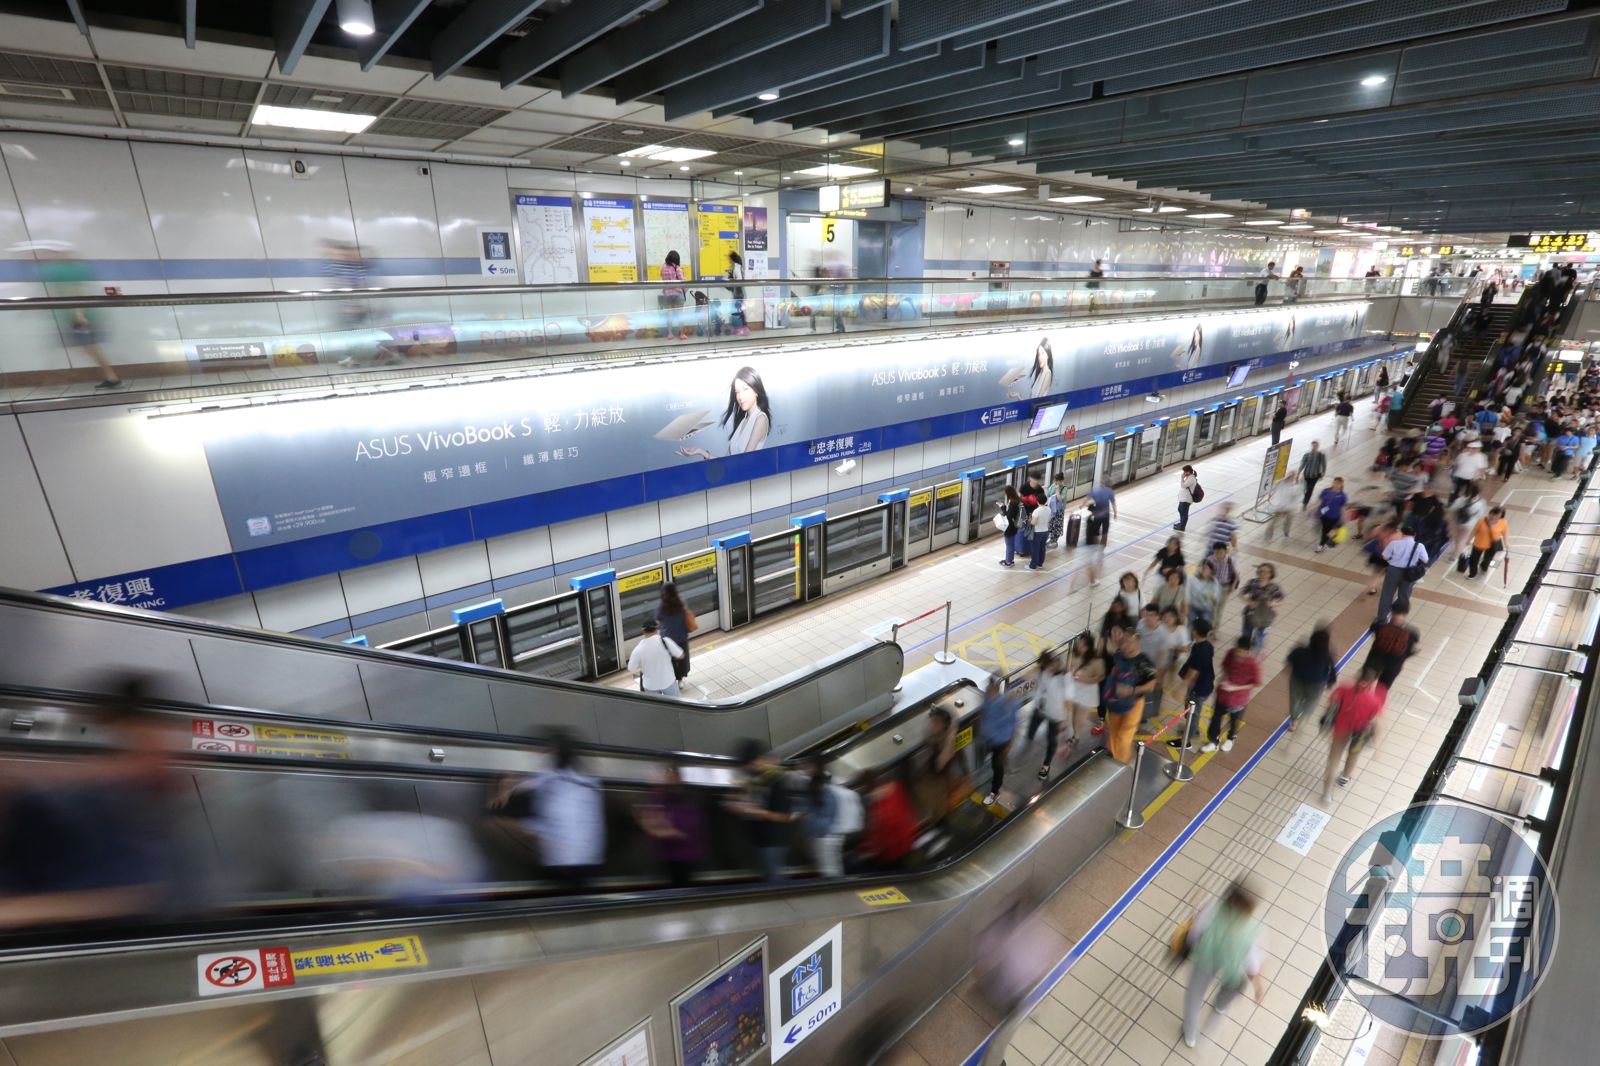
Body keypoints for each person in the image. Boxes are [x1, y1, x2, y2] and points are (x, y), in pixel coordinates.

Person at [491, 733, 604, 889]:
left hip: (562, 862)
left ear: (554, 754)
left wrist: (507, 791)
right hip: (589, 861)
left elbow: (550, 820)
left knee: (495, 825)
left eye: (544, 753)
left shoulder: (550, 781)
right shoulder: (588, 783)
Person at [1180, 881, 1268, 1049]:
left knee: (1194, 994)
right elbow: (1252, 962)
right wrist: (1258, 987)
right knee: (1227, 994)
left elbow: (1193, 935)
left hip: (1206, 957)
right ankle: (1219, 1010)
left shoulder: (1213, 908)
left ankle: (1190, 1034)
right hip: (1233, 969)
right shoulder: (1252, 928)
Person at [25, 241, 122, 388]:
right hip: (75, 316)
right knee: (87, 347)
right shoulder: (75, 268)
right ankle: (111, 377)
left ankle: (50, 379)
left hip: (78, 317)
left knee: (85, 347)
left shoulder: (57, 270)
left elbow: (79, 290)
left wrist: (79, 313)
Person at [728, 739, 798, 881]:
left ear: (760, 759)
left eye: (751, 763)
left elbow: (785, 816)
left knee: (775, 879)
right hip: (760, 840)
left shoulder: (777, 781)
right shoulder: (760, 779)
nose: (750, 768)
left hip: (774, 842)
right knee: (770, 877)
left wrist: (753, 811)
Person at [1320, 666, 1389, 803]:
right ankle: (1345, 777)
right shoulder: (1375, 701)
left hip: (1341, 728)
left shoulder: (1344, 690)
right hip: (1360, 732)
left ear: (1357, 678)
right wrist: (1378, 747)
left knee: (1333, 761)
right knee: (1353, 754)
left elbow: (1331, 702)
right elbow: (1376, 722)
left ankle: (1326, 794)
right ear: (1372, 682)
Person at [634, 763, 708, 887]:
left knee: (683, 887)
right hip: (665, 855)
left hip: (685, 855)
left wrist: (668, 831)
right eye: (667, 776)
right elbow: (644, 814)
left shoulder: (688, 798)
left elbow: (688, 831)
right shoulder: (659, 795)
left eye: (672, 776)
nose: (668, 779)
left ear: (679, 778)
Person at [678, 366, 771, 458]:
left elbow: (745, 461)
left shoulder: (760, 419)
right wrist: (701, 452)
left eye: (745, 389)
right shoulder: (744, 420)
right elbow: (726, 462)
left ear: (756, 390)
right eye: (737, 392)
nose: (740, 396)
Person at [1104, 631, 1158, 764]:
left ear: (1137, 643)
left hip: (1134, 704)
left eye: (1129, 642)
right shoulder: (1118, 655)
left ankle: (1120, 762)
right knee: (1113, 731)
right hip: (1116, 703)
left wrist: (1132, 690)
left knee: (1124, 736)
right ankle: (1115, 755)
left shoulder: (1143, 661)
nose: (1125, 644)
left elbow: (1151, 685)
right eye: (1124, 641)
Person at [1203, 636, 1261, 753]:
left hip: (1238, 700)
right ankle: (1214, 741)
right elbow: (1225, 667)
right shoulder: (1230, 654)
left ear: (1247, 652)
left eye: (1242, 652)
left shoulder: (1252, 665)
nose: (1238, 654)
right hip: (1222, 695)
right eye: (1237, 650)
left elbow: (1255, 683)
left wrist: (1235, 687)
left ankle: (1230, 738)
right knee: (1215, 719)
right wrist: (1224, 679)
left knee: (1233, 721)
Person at [800, 758, 850, 878]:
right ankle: (840, 888)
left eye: (808, 766)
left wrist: (810, 819)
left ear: (814, 767)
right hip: (832, 832)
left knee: (829, 870)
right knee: (833, 868)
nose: (804, 769)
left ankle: (837, 889)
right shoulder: (828, 783)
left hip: (824, 833)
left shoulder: (820, 786)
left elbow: (826, 810)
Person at [978, 675, 1021, 806]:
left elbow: (1014, 723)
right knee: (995, 761)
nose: (988, 692)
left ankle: (995, 792)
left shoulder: (1006, 703)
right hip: (991, 739)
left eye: (990, 689)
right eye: (988, 689)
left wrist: (1009, 744)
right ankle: (1004, 763)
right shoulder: (988, 701)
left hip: (1001, 742)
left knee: (997, 766)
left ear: (996, 689)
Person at [1284, 626, 1337, 733]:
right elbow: (1332, 671)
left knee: (1295, 701)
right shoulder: (1327, 657)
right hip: (1317, 684)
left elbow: (1290, 660)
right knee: (1311, 703)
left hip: (1297, 680)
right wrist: (1331, 682)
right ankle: (1304, 719)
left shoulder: (1300, 651)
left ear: (1311, 640)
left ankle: (1294, 722)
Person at [1025, 650, 1068, 778]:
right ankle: (1026, 752)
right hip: (1040, 709)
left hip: (1055, 714)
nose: (1049, 667)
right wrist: (1039, 666)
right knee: (1030, 733)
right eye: (1047, 664)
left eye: (1051, 665)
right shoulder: (1043, 671)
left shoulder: (1063, 678)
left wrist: (1065, 719)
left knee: (1051, 739)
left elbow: (1068, 700)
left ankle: (1046, 765)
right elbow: (1026, 676)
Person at [1377, 523, 1429, 623]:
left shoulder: (1394, 543)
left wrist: (1392, 560)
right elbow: (1425, 560)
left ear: (1402, 533)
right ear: (1414, 535)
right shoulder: (1419, 546)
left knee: (1387, 594)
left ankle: (1381, 618)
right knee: (1404, 596)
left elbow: (1384, 556)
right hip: (1409, 573)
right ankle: (1398, 619)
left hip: (1393, 570)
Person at [1062, 631, 1105, 750]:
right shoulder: (1074, 655)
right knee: (1074, 715)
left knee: (1078, 718)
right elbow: (1068, 668)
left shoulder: (1096, 661)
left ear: (1089, 647)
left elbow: (1100, 676)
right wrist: (1072, 672)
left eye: (1084, 645)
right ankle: (1076, 734)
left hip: (1088, 693)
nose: (1081, 647)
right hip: (1076, 689)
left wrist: (1084, 679)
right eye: (1080, 644)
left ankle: (1076, 737)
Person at [1176, 619, 1216, 748]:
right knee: (1190, 710)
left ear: (1195, 631)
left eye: (1192, 628)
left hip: (1199, 688)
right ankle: (1194, 730)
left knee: (1192, 713)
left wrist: (1178, 688)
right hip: (1203, 684)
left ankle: (1186, 741)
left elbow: (1192, 673)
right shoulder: (1205, 645)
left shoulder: (1201, 651)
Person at [1366, 604, 1420, 688]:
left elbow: (1373, 628)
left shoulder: (1380, 626)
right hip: (1393, 665)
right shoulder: (1412, 633)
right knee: (1382, 689)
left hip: (1375, 660)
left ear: (1392, 612)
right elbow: (1410, 649)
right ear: (1406, 613)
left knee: (1364, 684)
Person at [627, 619, 684, 697]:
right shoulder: (666, 641)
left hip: (650, 686)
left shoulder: (637, 650)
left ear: (643, 632)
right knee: (676, 703)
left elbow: (631, 668)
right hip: (668, 681)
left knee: (654, 704)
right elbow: (681, 655)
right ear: (657, 629)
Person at [656, 582, 697, 685]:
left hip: (667, 638)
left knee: (671, 660)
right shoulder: (681, 602)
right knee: (682, 659)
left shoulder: (661, 606)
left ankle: (672, 679)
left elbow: (658, 620)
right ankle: (680, 680)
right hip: (681, 636)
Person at [1239, 564, 1284, 653]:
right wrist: (1248, 602)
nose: (1262, 573)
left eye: (1265, 572)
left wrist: (1273, 603)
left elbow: (1282, 599)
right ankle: (1244, 653)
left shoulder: (1274, 587)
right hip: (1250, 614)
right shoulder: (1252, 582)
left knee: (1259, 638)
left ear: (1271, 574)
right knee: (1246, 636)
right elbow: (1241, 593)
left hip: (1265, 617)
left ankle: (1256, 655)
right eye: (1260, 571)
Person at [1467, 506, 1508, 579]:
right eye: (1495, 515)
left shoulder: (1503, 523)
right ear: (1491, 513)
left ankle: (1484, 566)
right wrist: (1469, 539)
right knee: (1474, 559)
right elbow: (1474, 531)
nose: (1496, 517)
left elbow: (1505, 533)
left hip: (1492, 545)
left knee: (1487, 560)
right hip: (1479, 543)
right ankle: (1472, 573)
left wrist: (1506, 542)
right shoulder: (1481, 521)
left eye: (1499, 516)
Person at [659, 249, 689, 339]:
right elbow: (682, 281)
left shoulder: (663, 268)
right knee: (680, 315)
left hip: (667, 294)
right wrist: (685, 278)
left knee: (669, 314)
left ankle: (670, 334)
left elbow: (662, 278)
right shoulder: (677, 268)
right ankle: (682, 334)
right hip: (677, 293)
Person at [1315, 477, 1348, 552]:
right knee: (1325, 530)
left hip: (1335, 517)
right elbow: (1320, 500)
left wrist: (1344, 517)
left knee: (1328, 531)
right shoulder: (1326, 491)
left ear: (1341, 485)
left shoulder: (1342, 495)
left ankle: (1321, 545)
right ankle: (1324, 543)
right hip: (1324, 515)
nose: (1336, 484)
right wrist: (1314, 508)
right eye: (1335, 482)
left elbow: (1342, 507)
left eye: (1338, 483)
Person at [1187, 559, 1222, 630]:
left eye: (1206, 569)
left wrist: (1211, 597)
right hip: (1193, 606)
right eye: (1202, 568)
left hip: (1206, 608)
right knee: (1190, 625)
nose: (1204, 570)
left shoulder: (1214, 582)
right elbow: (1187, 592)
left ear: (1211, 571)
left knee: (1204, 628)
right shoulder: (1193, 579)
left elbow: (1216, 597)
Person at [1085, 478, 1117, 547]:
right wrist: (1115, 514)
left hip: (1097, 515)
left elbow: (1087, 501)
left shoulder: (1094, 490)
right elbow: (1113, 504)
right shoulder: (1110, 491)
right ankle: (1102, 548)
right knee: (1105, 533)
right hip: (1106, 515)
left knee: (1095, 533)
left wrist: (1083, 505)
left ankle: (1096, 547)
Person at [1267, 472, 1299, 541]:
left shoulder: (1293, 486)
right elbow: (1273, 488)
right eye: (1292, 477)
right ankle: (1269, 536)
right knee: (1274, 521)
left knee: (1288, 520)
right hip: (1279, 506)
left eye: (1293, 477)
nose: (1292, 478)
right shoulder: (1280, 483)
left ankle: (1286, 534)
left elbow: (1294, 496)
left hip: (1288, 507)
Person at [998, 484, 1023, 568]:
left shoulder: (1012, 503)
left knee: (1009, 545)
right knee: (1011, 544)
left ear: (1008, 493)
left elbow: (1008, 516)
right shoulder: (1017, 500)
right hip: (1015, 525)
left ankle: (1008, 562)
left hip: (1010, 527)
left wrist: (1003, 508)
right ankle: (1011, 560)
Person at [1299, 441, 1328, 508]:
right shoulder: (1307, 454)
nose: (1314, 447)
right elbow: (1303, 464)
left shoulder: (1321, 455)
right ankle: (1306, 497)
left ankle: (1305, 502)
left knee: (1310, 489)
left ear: (1318, 447)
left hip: (1315, 476)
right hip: (1306, 474)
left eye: (1315, 446)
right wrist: (1298, 473)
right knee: (1305, 488)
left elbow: (1324, 465)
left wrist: (1323, 473)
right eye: (1313, 446)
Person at [1046, 471, 1069, 546]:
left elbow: (1060, 499)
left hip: (1059, 510)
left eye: (1057, 481)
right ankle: (1050, 539)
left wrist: (1057, 491)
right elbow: (1048, 494)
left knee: (1057, 525)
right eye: (1055, 480)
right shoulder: (1053, 485)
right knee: (1050, 524)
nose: (1055, 482)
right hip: (1051, 509)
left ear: (1061, 481)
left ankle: (1054, 541)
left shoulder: (1064, 488)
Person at [1176, 464, 1200, 531]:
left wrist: (1182, 478)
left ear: (1189, 472)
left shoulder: (1191, 479)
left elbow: (1183, 486)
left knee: (1184, 512)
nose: (1184, 473)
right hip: (1183, 498)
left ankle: (1182, 526)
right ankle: (1181, 523)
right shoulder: (1189, 478)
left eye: (1185, 472)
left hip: (1186, 499)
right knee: (1180, 509)